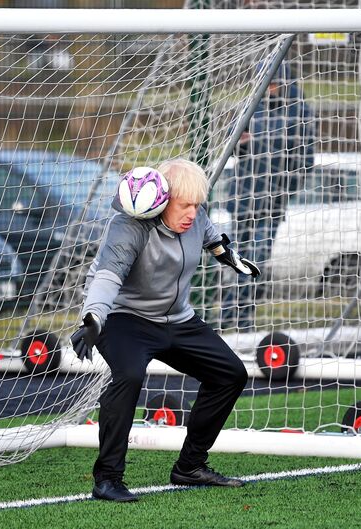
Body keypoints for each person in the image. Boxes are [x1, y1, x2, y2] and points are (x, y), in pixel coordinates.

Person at [70, 158, 260, 503]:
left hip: (177, 319)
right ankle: (108, 478)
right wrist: (94, 316)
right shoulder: (128, 227)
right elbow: (107, 276)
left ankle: (190, 466)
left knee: (230, 373)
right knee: (128, 375)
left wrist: (230, 257)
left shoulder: (196, 219)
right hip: (125, 318)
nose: (192, 212)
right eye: (184, 205)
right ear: (160, 201)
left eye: (197, 204)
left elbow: (212, 237)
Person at [221, 61, 315, 331]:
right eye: (267, 83)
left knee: (256, 260)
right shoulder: (250, 107)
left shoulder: (299, 112)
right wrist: (241, 142)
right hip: (242, 201)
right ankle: (237, 319)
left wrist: (286, 192)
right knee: (239, 260)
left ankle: (235, 317)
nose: (270, 89)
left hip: (272, 203)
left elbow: (305, 161)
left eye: (275, 84)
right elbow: (231, 145)